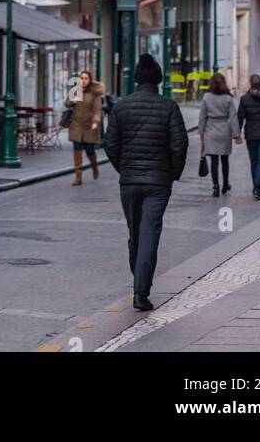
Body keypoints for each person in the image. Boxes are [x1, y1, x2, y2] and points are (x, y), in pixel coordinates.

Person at [104, 52, 189, 312]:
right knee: (150, 233)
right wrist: (171, 173)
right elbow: (180, 144)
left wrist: (124, 168)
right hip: (158, 182)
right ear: (159, 80)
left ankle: (139, 279)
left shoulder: (121, 107)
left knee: (135, 233)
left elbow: (110, 144)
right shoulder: (169, 107)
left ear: (137, 80)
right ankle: (141, 291)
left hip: (129, 180)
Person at [198, 72, 241, 196]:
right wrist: (236, 135)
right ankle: (225, 184)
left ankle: (215, 185)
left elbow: (202, 117)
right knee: (225, 160)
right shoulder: (228, 98)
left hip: (211, 130)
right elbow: (233, 118)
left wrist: (201, 132)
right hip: (224, 129)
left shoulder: (206, 97)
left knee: (214, 161)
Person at [65, 69, 104, 186]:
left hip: (89, 125)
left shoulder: (94, 92)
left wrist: (96, 121)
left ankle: (94, 167)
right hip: (76, 125)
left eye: (86, 78)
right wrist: (73, 100)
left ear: (90, 80)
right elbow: (66, 103)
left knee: (89, 150)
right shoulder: (75, 90)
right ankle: (78, 177)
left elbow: (98, 109)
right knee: (77, 151)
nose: (83, 81)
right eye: (81, 78)